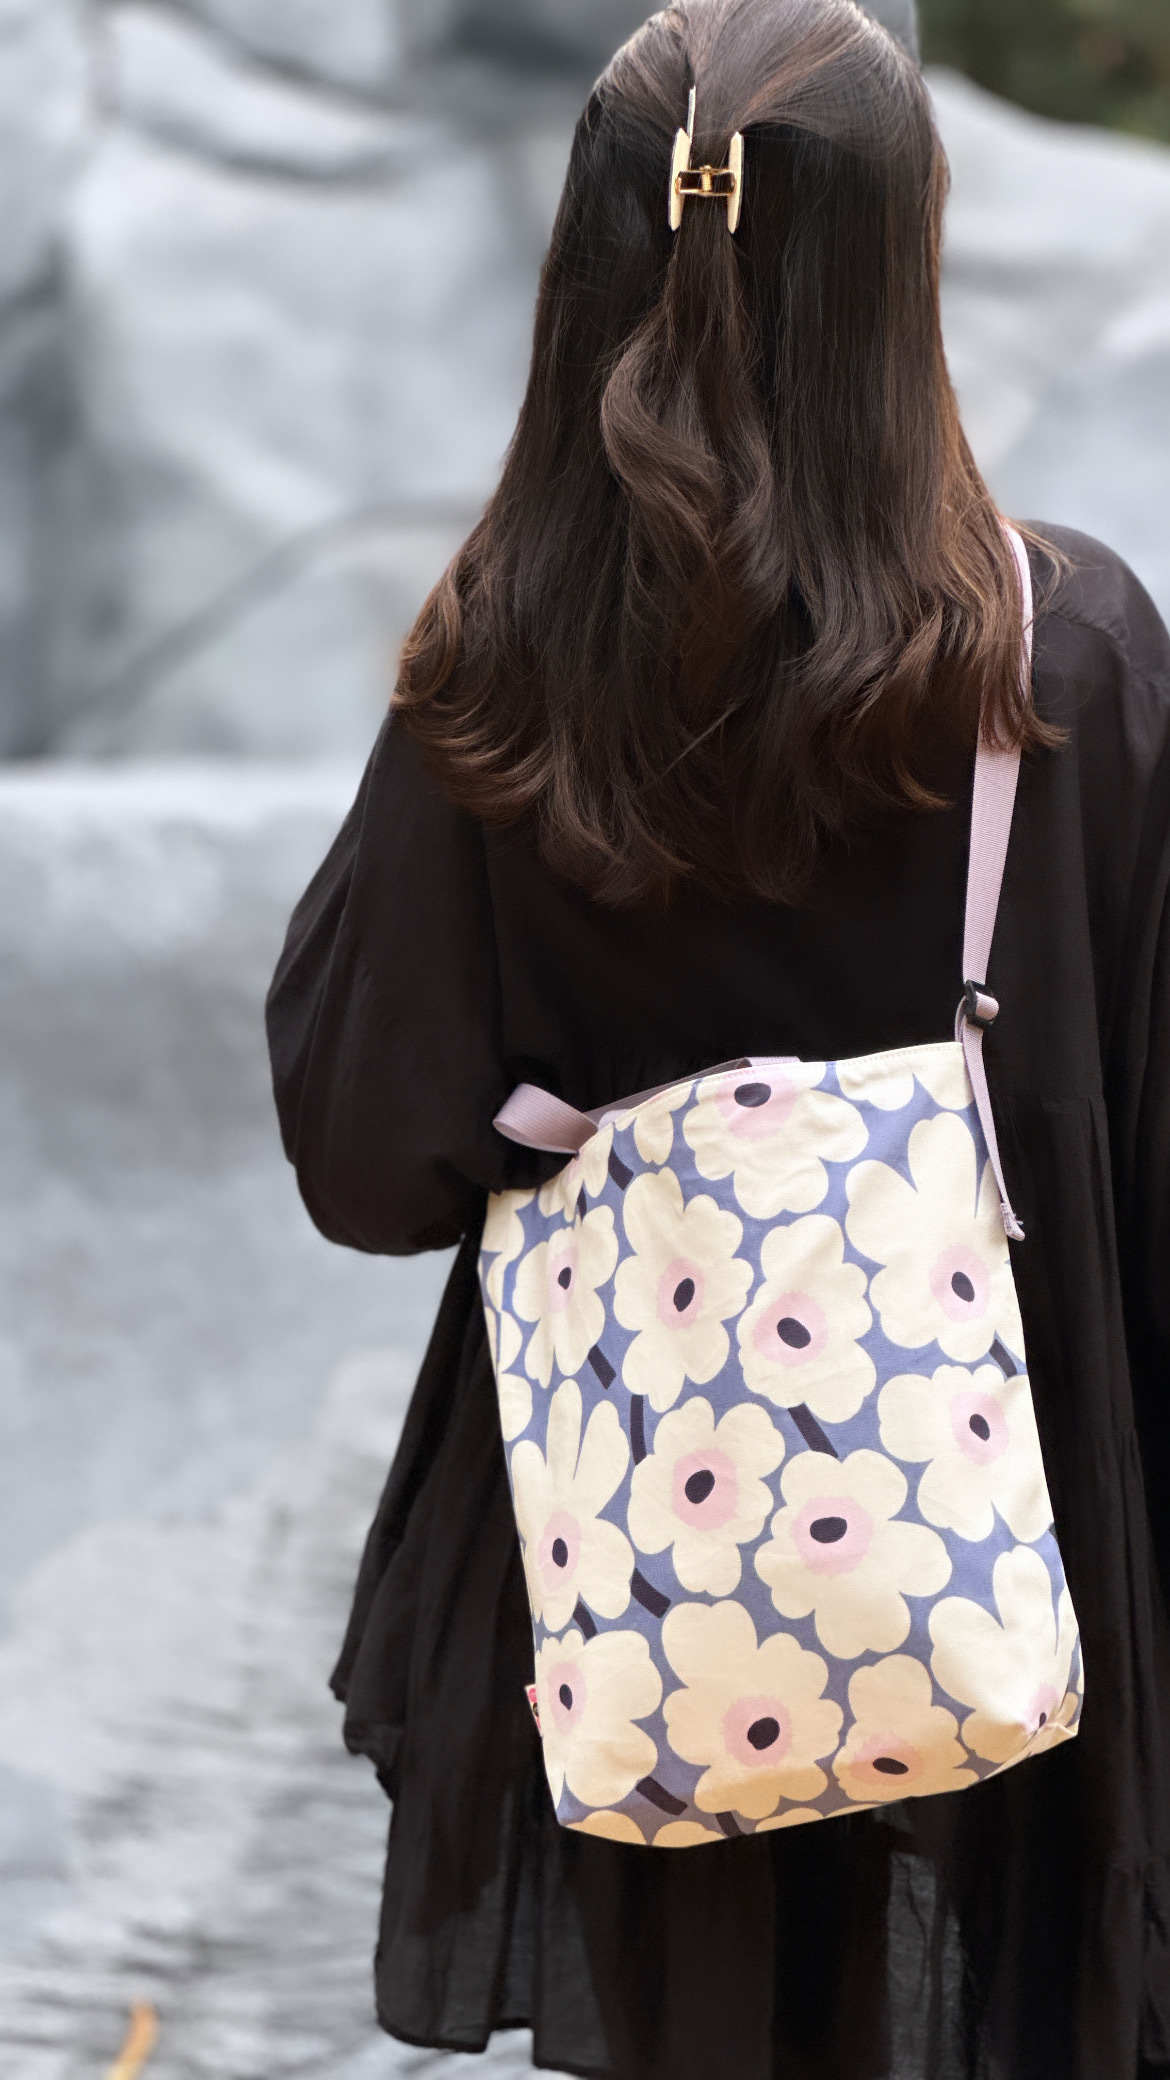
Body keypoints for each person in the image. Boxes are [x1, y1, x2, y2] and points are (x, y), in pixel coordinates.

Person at [266, 1, 1170, 2072]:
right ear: (908, 270)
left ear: (582, 270)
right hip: (1033, 1539)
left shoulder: (494, 683)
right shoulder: (1072, 664)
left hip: (662, 1568)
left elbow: (360, 1148)